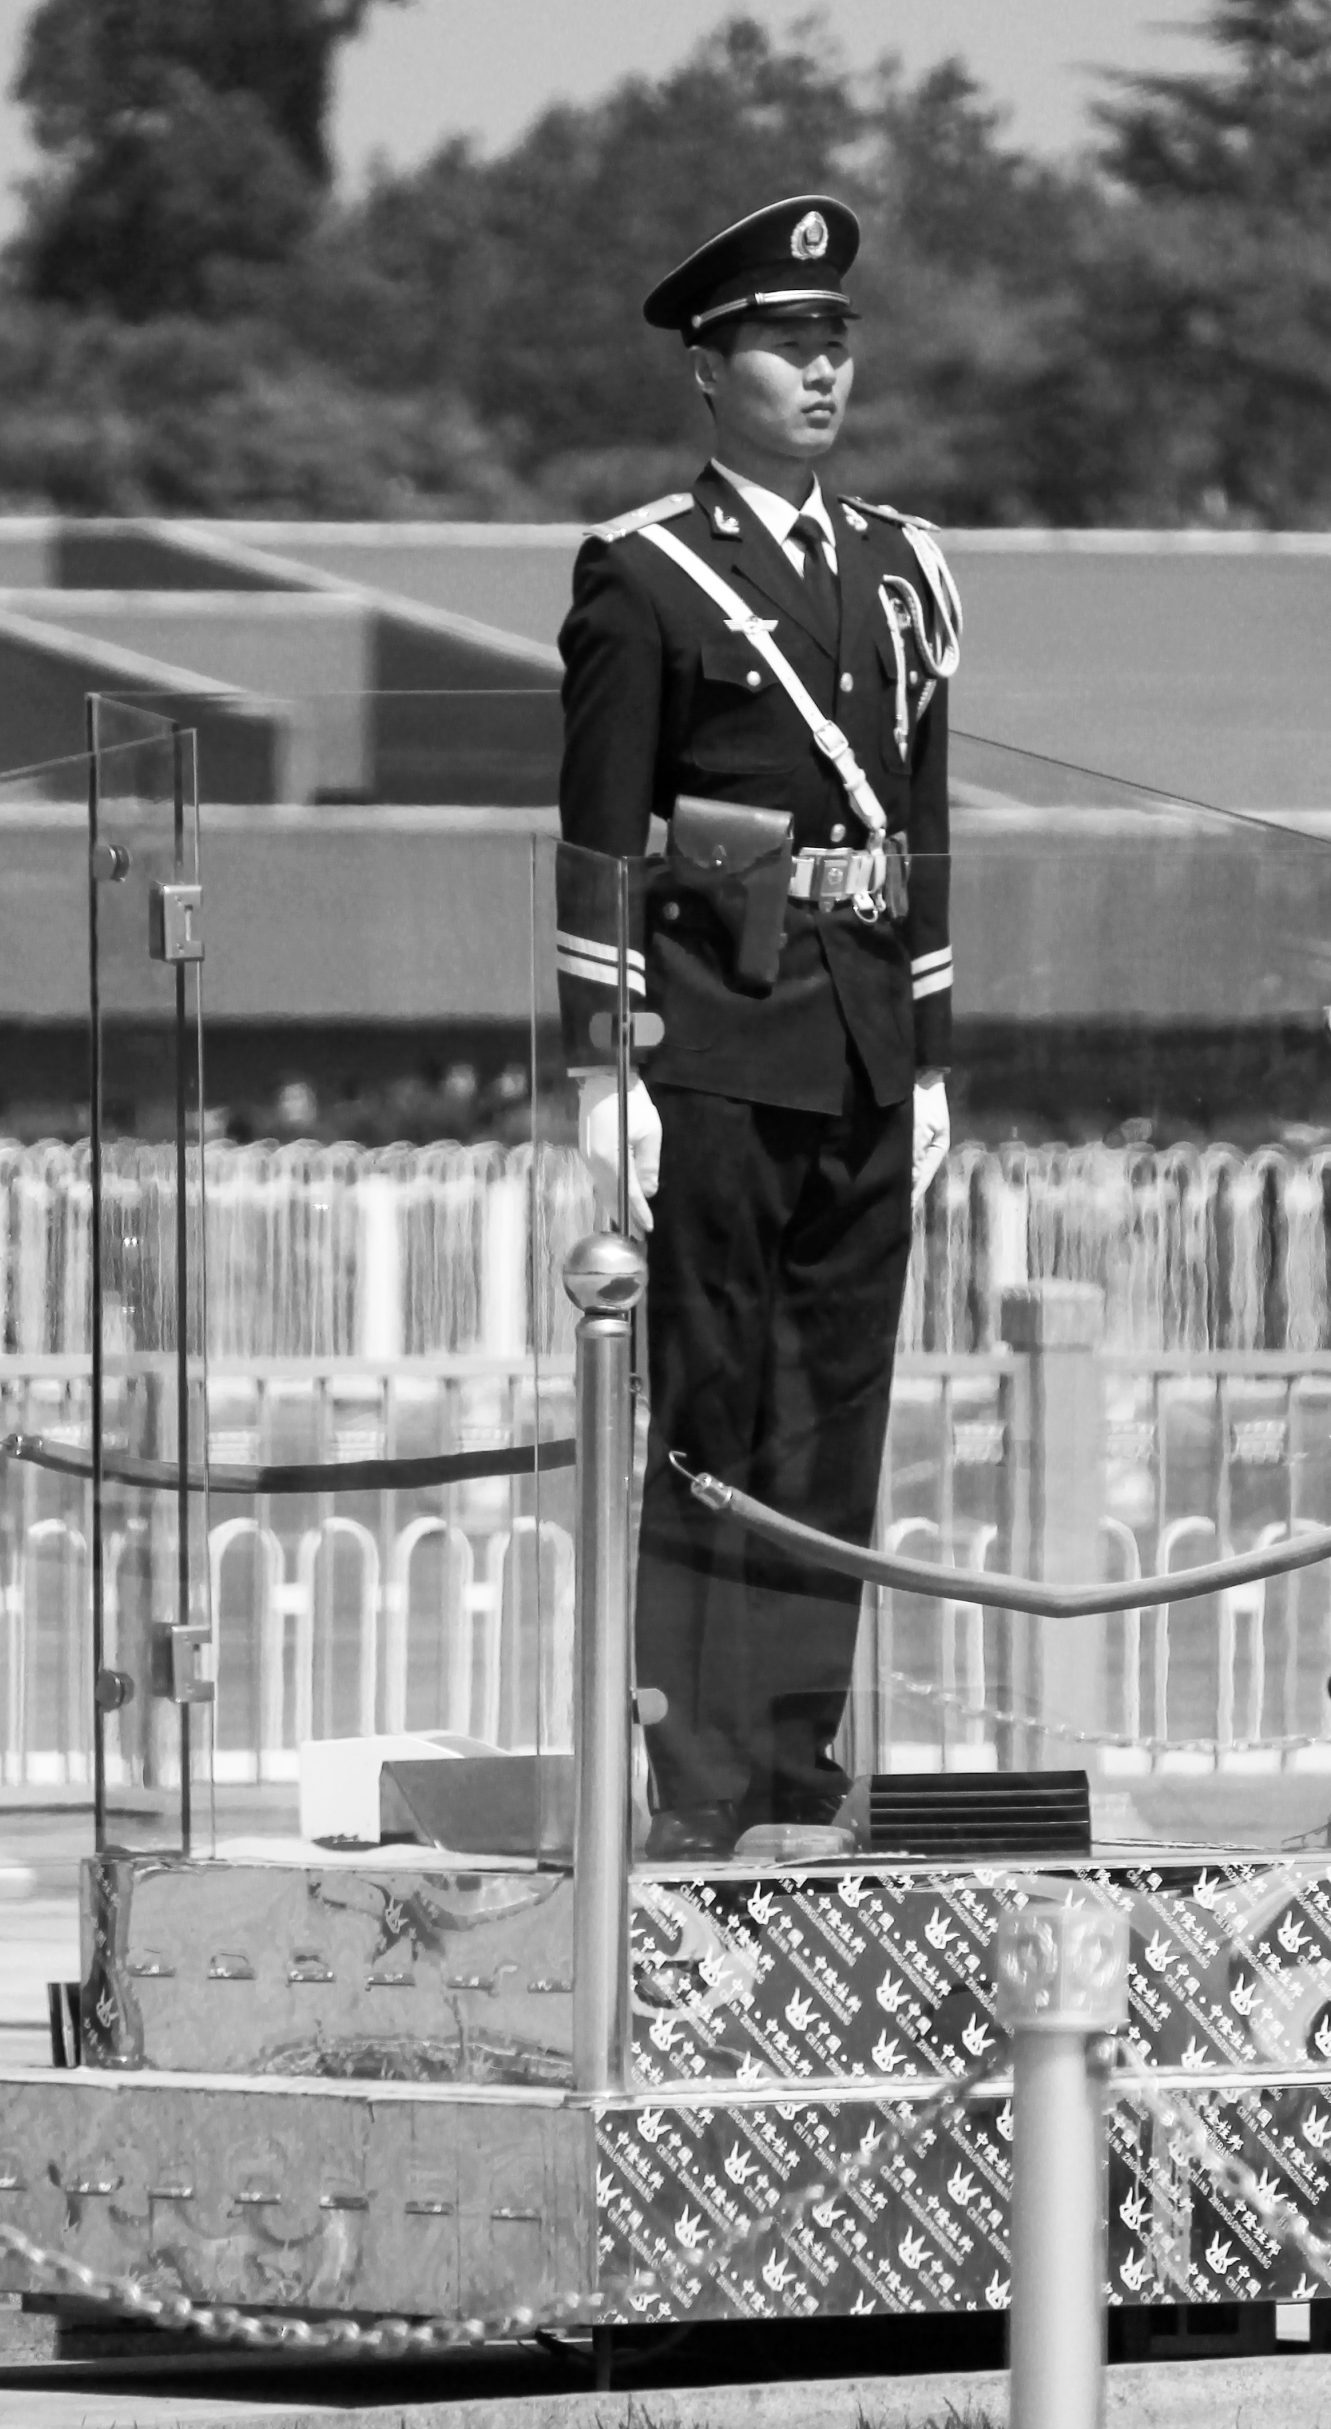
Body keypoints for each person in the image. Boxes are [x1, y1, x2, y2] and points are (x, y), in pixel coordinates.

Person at [555, 194, 960, 1859]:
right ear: (708, 373)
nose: (819, 370)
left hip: (861, 1037)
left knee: (833, 1417)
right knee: (713, 1416)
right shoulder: (645, 572)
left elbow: (924, 824)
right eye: (786, 344)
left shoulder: (906, 567)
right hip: (715, 1039)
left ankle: (803, 1773)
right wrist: (606, 1063)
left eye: (835, 341)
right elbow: (593, 834)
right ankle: (703, 1782)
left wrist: (935, 1057)